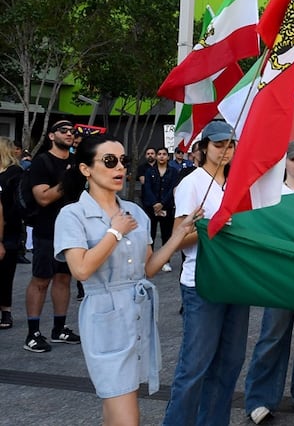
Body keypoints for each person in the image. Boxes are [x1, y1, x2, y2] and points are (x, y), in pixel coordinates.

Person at [51, 134, 196, 425]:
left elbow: (149, 267)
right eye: (109, 161)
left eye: (123, 161)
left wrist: (178, 236)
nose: (120, 168)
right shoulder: (73, 214)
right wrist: (114, 233)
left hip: (138, 314)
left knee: (117, 409)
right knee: (126, 415)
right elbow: (80, 270)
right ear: (85, 169)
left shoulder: (134, 212)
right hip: (104, 318)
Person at [163, 120, 249, 426]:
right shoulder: (192, 183)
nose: (225, 150)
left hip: (235, 281)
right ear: (203, 148)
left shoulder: (237, 184)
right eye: (218, 144)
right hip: (201, 283)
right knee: (195, 366)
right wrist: (209, 228)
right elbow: (176, 238)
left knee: (230, 363)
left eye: (230, 144)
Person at [244, 141, 294, 424]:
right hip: (280, 276)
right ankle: (259, 398)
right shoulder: (272, 194)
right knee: (272, 336)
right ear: (285, 163)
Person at [23, 119, 80, 353]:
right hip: (47, 230)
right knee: (41, 280)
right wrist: (67, 180)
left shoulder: (76, 162)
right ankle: (32, 333)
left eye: (72, 131)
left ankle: (59, 328)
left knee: (64, 279)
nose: (69, 134)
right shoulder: (41, 163)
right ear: (51, 136)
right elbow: (43, 198)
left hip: (71, 231)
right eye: (63, 130)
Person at [140, 147, 180, 273]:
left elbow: (172, 189)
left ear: (168, 157)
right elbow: (147, 188)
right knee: (150, 235)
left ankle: (165, 261)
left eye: (164, 154)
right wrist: (155, 203)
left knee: (166, 235)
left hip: (167, 207)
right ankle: (149, 261)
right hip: (151, 207)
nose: (162, 156)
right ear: (156, 157)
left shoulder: (173, 172)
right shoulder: (149, 171)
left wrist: (162, 203)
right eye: (159, 154)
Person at [0, 138, 24, 330]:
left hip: (8, 229)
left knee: (6, 272)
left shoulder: (15, 173)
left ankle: (6, 311)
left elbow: (17, 203)